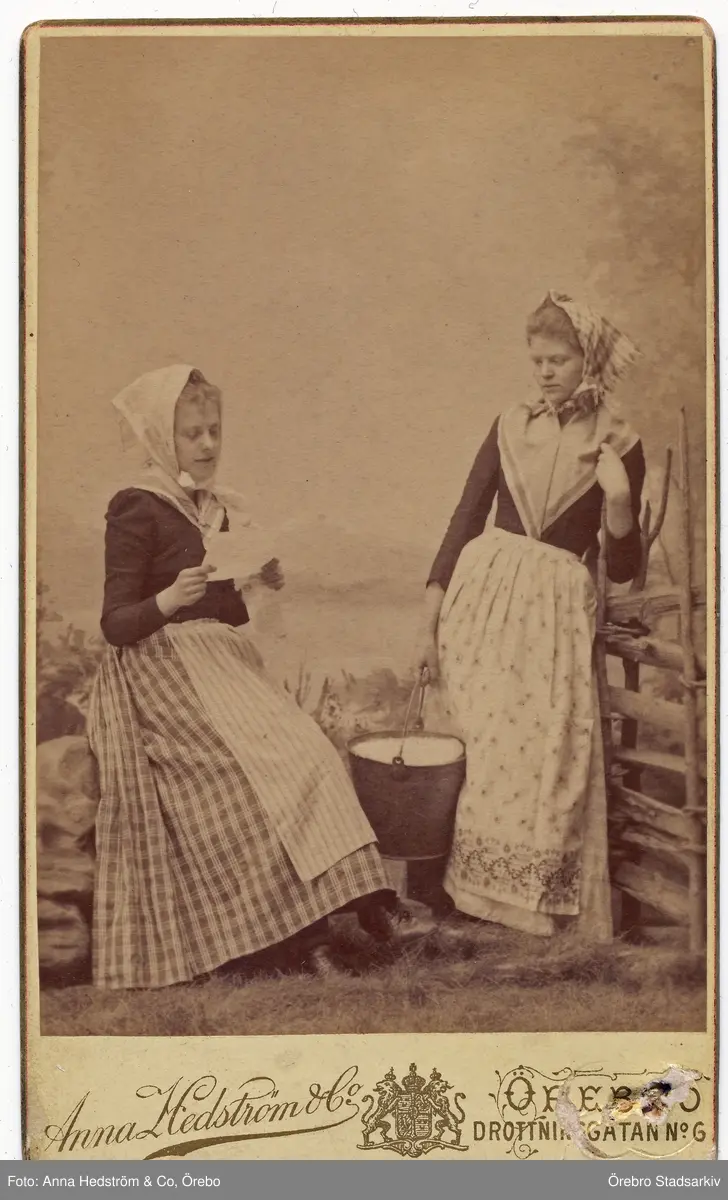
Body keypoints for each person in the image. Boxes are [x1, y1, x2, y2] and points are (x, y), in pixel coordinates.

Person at [88, 364, 431, 990]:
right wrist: (167, 599)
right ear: (162, 438)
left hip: (217, 666)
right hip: (157, 676)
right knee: (264, 773)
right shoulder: (137, 506)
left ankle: (373, 907)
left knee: (312, 753)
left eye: (214, 431)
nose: (207, 445)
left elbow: (224, 612)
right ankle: (307, 939)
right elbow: (116, 623)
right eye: (192, 434)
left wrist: (255, 585)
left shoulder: (215, 509)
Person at [415, 292, 646, 940]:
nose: (545, 372)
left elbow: (623, 567)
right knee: (482, 750)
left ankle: (525, 907)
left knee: (544, 757)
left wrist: (619, 500)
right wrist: (429, 622)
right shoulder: (510, 424)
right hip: (483, 603)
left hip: (554, 616)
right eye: (537, 359)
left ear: (588, 361)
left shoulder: (619, 441)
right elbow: (465, 519)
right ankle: (461, 900)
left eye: (559, 360)